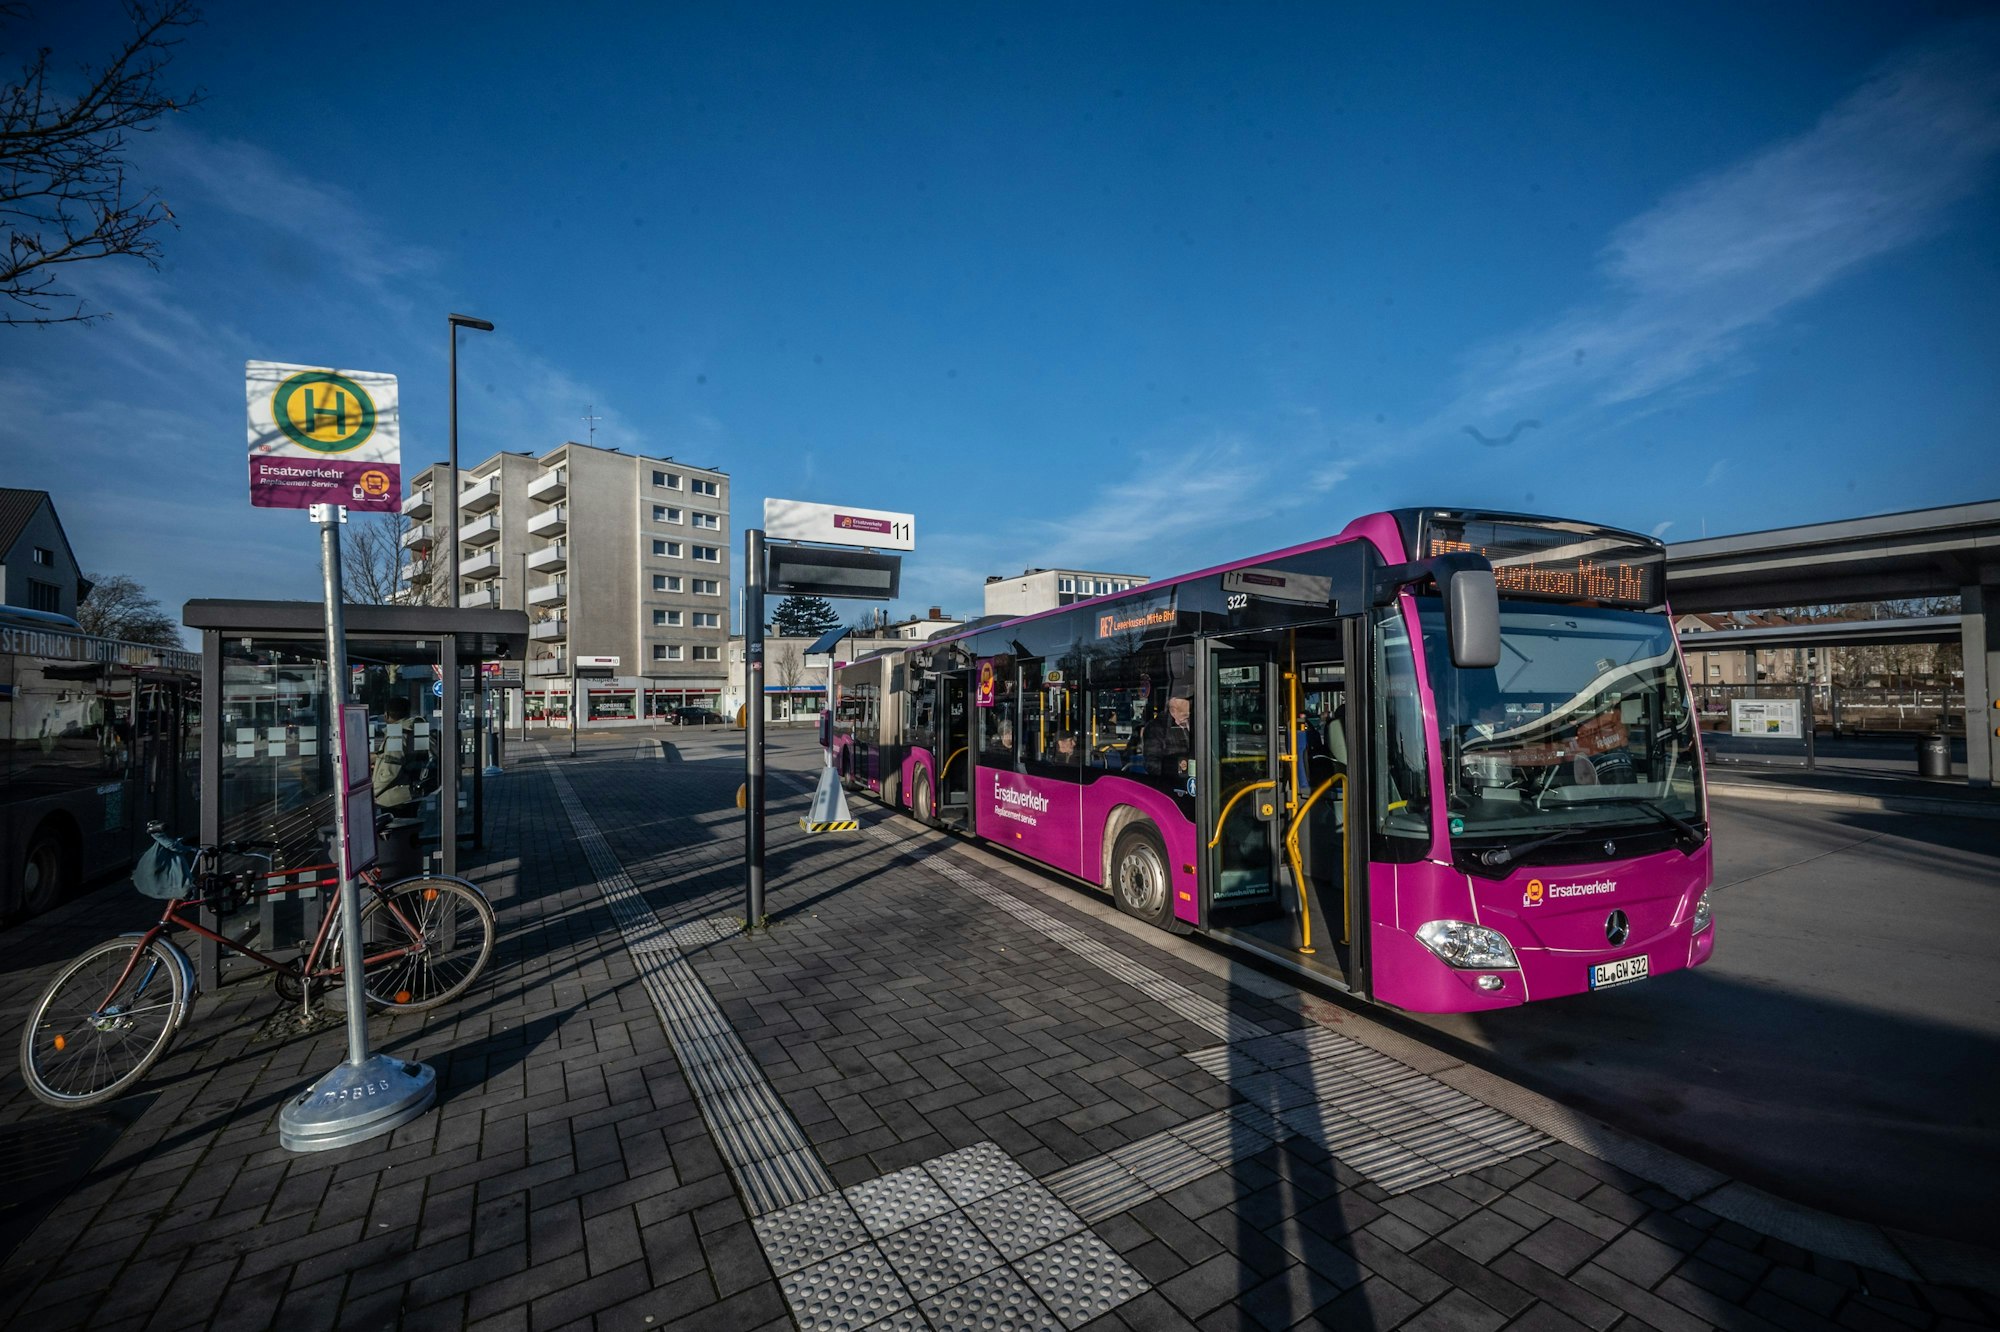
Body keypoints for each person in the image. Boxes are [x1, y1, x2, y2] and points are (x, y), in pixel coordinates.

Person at [372, 697, 421, 810]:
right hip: (406, 793)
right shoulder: (409, 730)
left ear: (386, 715)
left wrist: (372, 791)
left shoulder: (396, 735)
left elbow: (391, 770)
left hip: (394, 798)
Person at [1143, 692, 1194, 778]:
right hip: (1171, 782)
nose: (1188, 718)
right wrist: (1181, 768)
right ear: (1173, 711)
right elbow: (1151, 764)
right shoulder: (1157, 728)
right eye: (1184, 715)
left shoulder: (1192, 722)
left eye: (1190, 714)